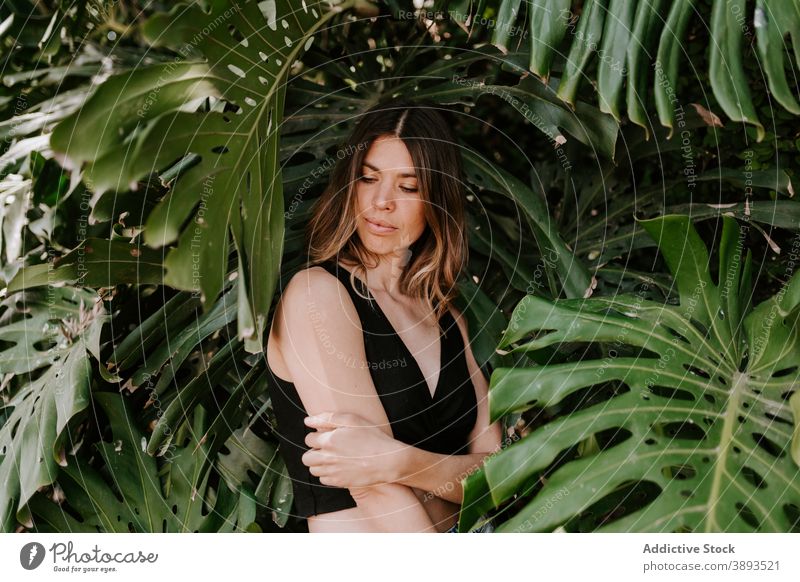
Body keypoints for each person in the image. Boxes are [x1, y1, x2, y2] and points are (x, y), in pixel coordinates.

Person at [265, 98, 503, 532]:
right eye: (368, 179)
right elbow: (369, 486)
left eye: (408, 187)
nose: (381, 202)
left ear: (438, 199)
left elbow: (500, 475)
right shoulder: (318, 296)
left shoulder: (447, 315)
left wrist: (399, 460)